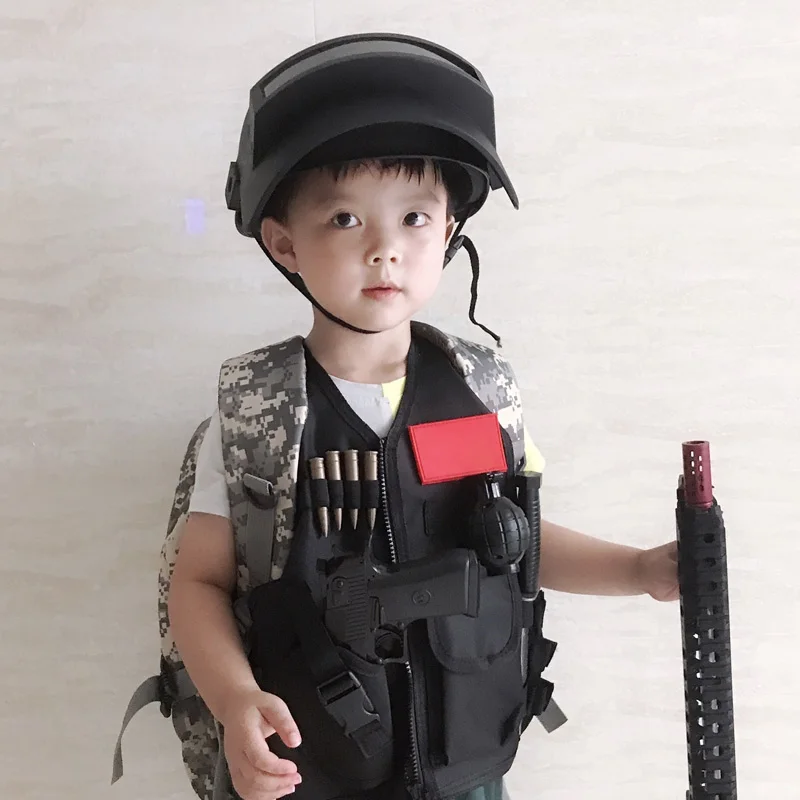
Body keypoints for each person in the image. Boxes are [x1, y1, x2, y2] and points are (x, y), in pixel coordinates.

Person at [167, 33, 678, 800]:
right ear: (284, 242)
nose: (385, 249)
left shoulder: (482, 393)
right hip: (309, 766)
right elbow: (199, 584)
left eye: (414, 217)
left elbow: (523, 547)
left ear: (449, 233)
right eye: (345, 219)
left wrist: (638, 571)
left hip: (465, 762)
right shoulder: (257, 416)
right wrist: (236, 700)